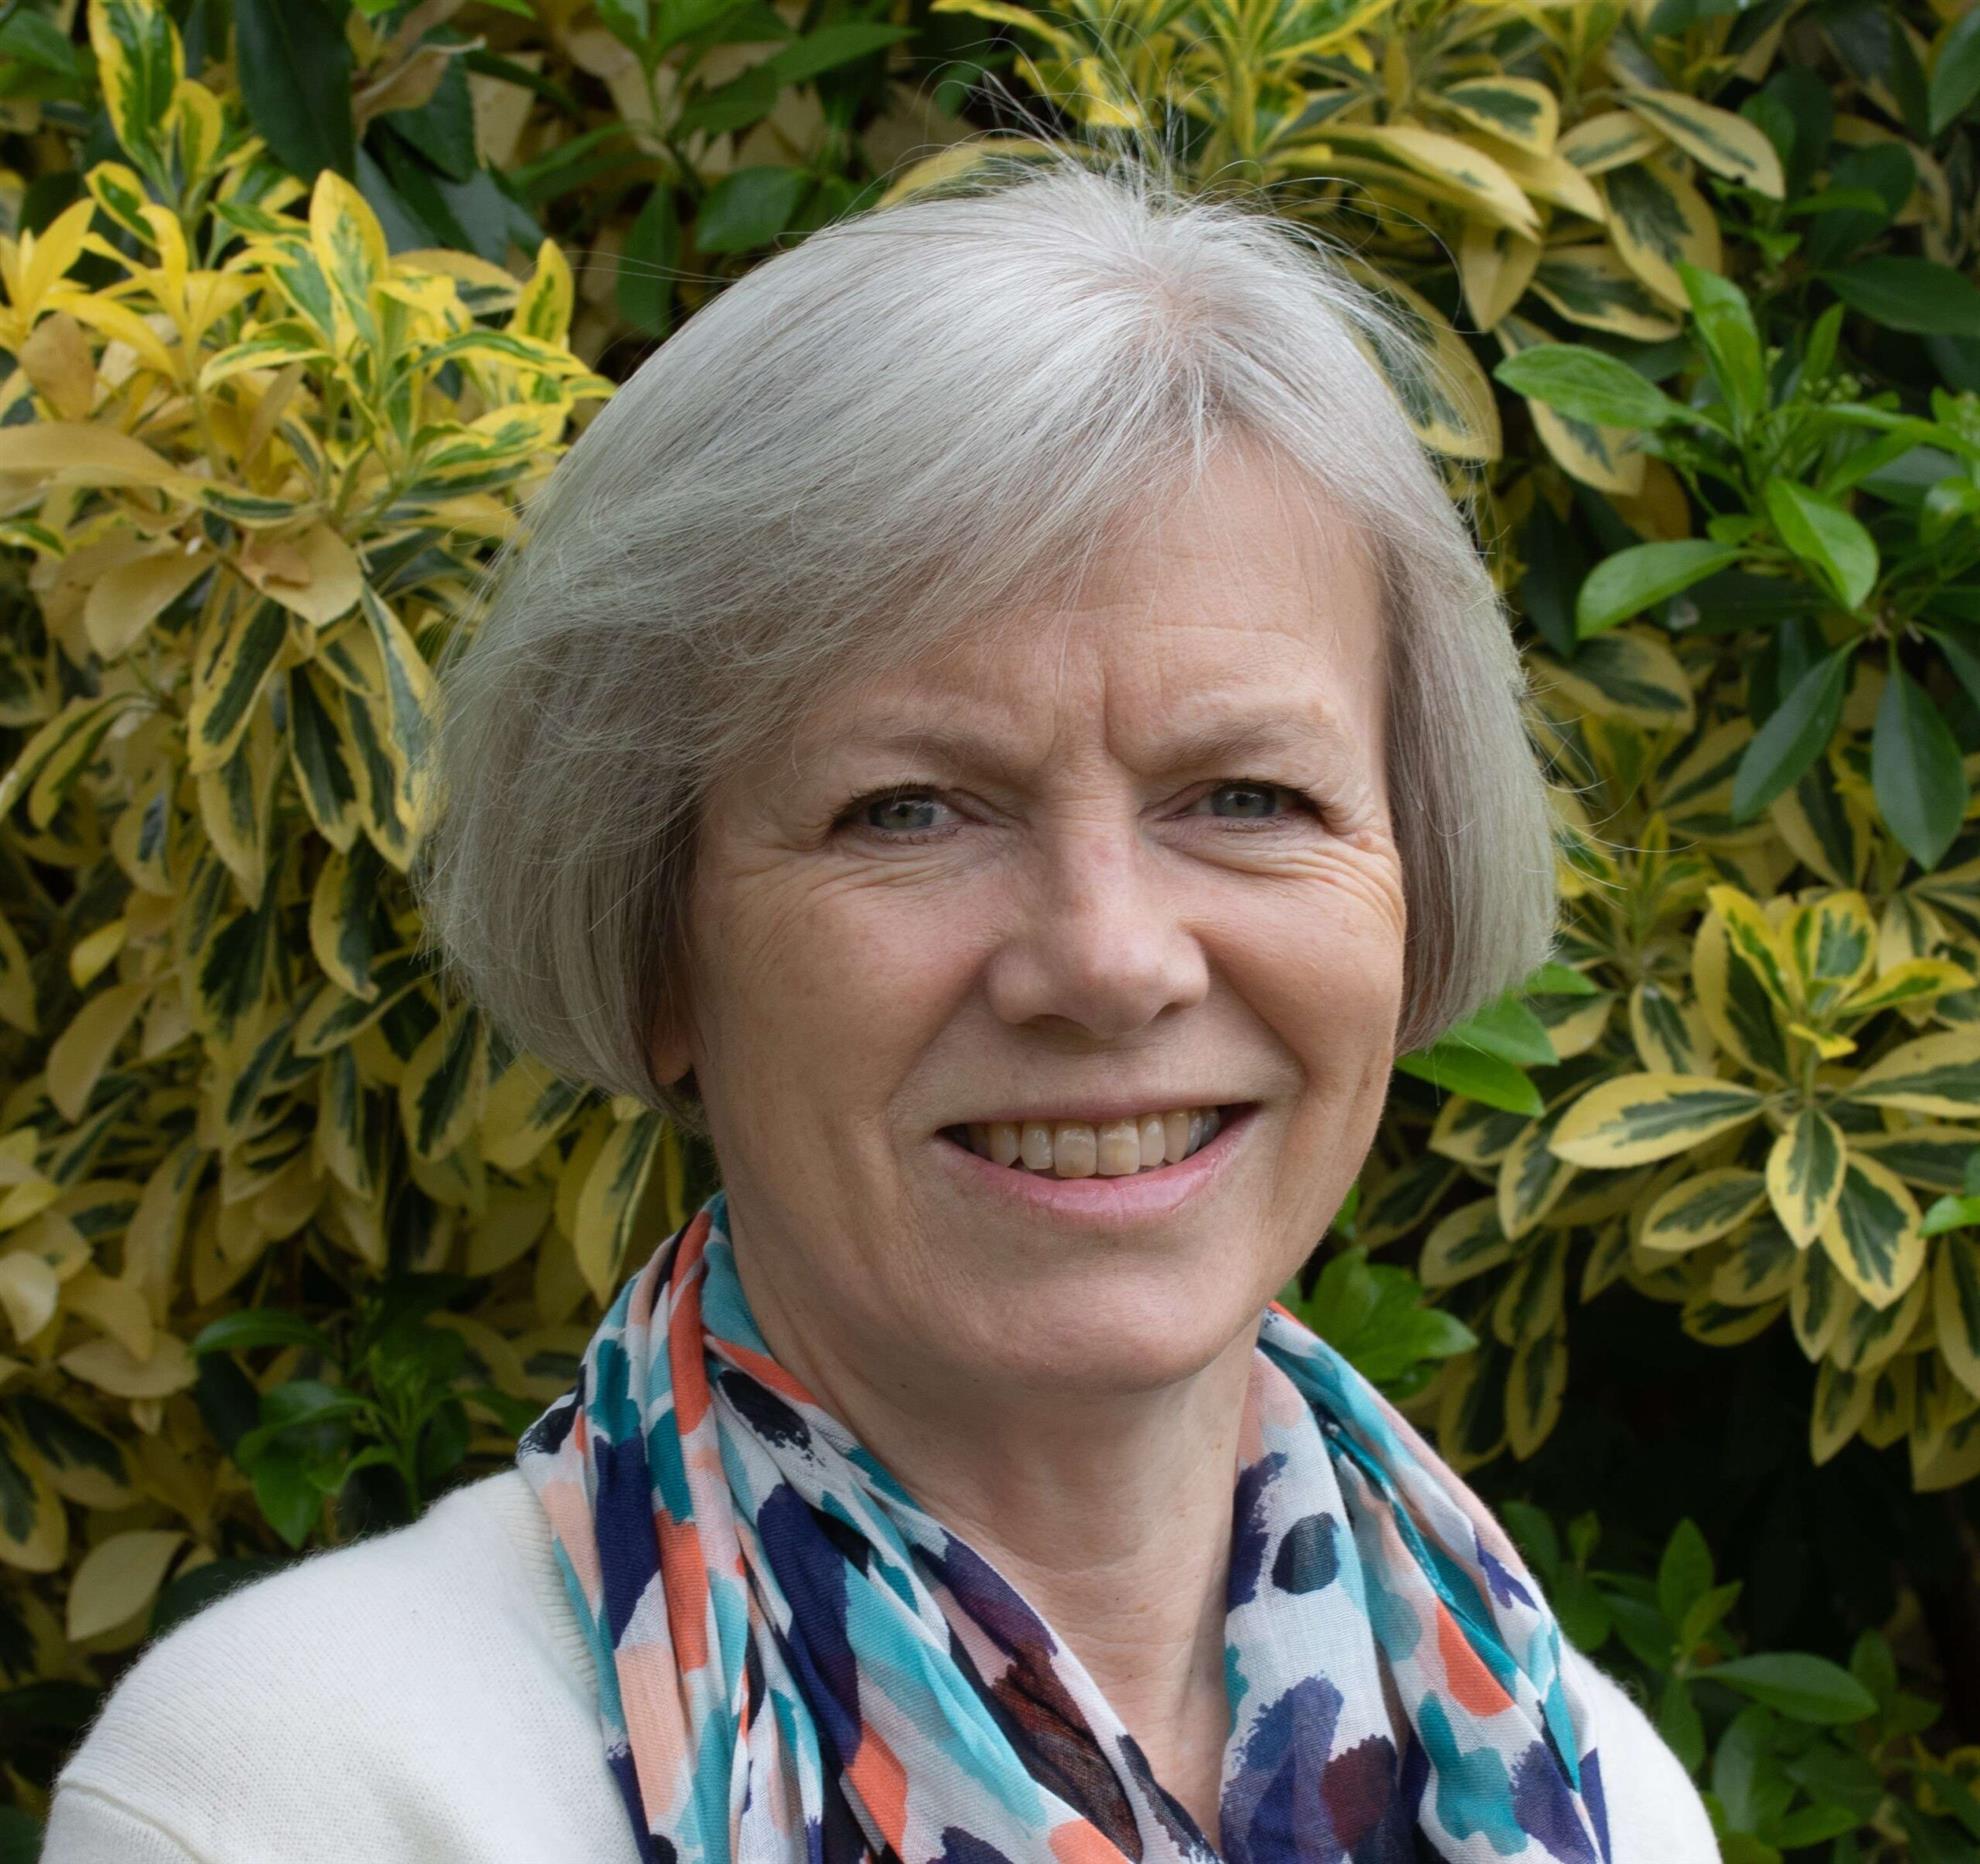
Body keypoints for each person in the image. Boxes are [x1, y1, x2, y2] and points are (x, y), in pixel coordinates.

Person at [42, 150, 1719, 1862]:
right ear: (659, 944)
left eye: (1246, 796)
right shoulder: (298, 1800)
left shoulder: (1588, 1783)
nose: (1109, 960)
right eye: (909, 810)